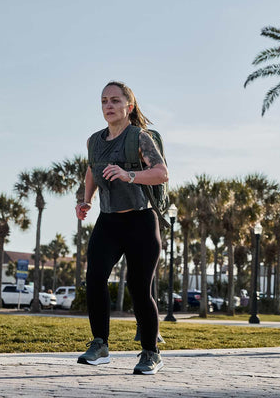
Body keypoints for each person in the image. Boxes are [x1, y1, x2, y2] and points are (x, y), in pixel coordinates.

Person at [75, 81, 168, 375]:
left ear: (128, 106)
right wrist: (85, 200)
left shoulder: (139, 137)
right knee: (95, 277)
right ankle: (100, 344)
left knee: (139, 288)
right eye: (104, 101)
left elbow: (161, 173)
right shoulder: (94, 141)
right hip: (109, 220)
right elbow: (91, 169)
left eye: (115, 100)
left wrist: (128, 175)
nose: (108, 106)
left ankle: (151, 353)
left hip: (141, 220)